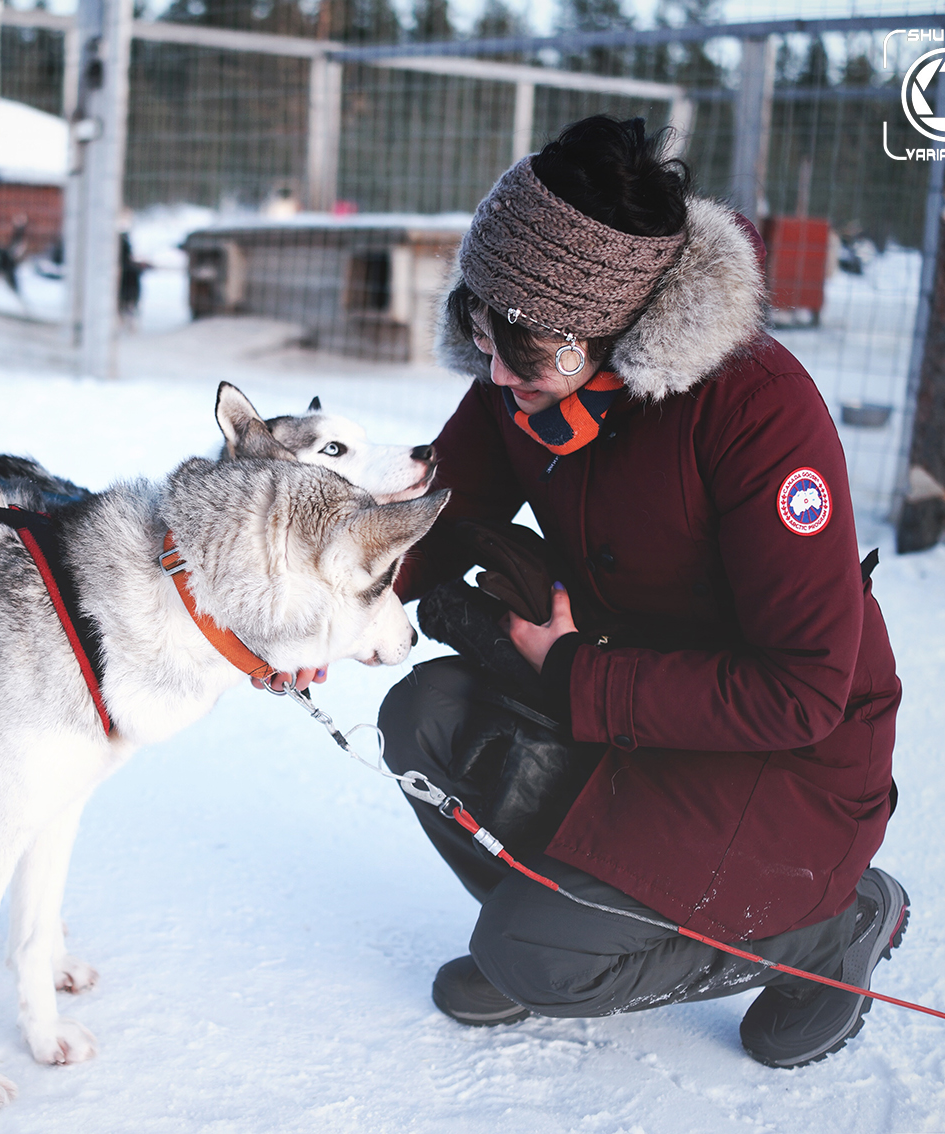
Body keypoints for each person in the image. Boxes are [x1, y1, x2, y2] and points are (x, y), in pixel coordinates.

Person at [373, 116, 905, 1069]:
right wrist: (318, 602)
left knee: (534, 958)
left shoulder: (756, 411)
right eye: (479, 331)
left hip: (778, 761)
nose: (494, 374)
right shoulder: (529, 376)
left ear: (610, 334)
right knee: (424, 717)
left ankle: (830, 932)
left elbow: (803, 692)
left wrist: (579, 672)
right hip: (617, 702)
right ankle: (553, 921)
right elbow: (438, 514)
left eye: (523, 353)